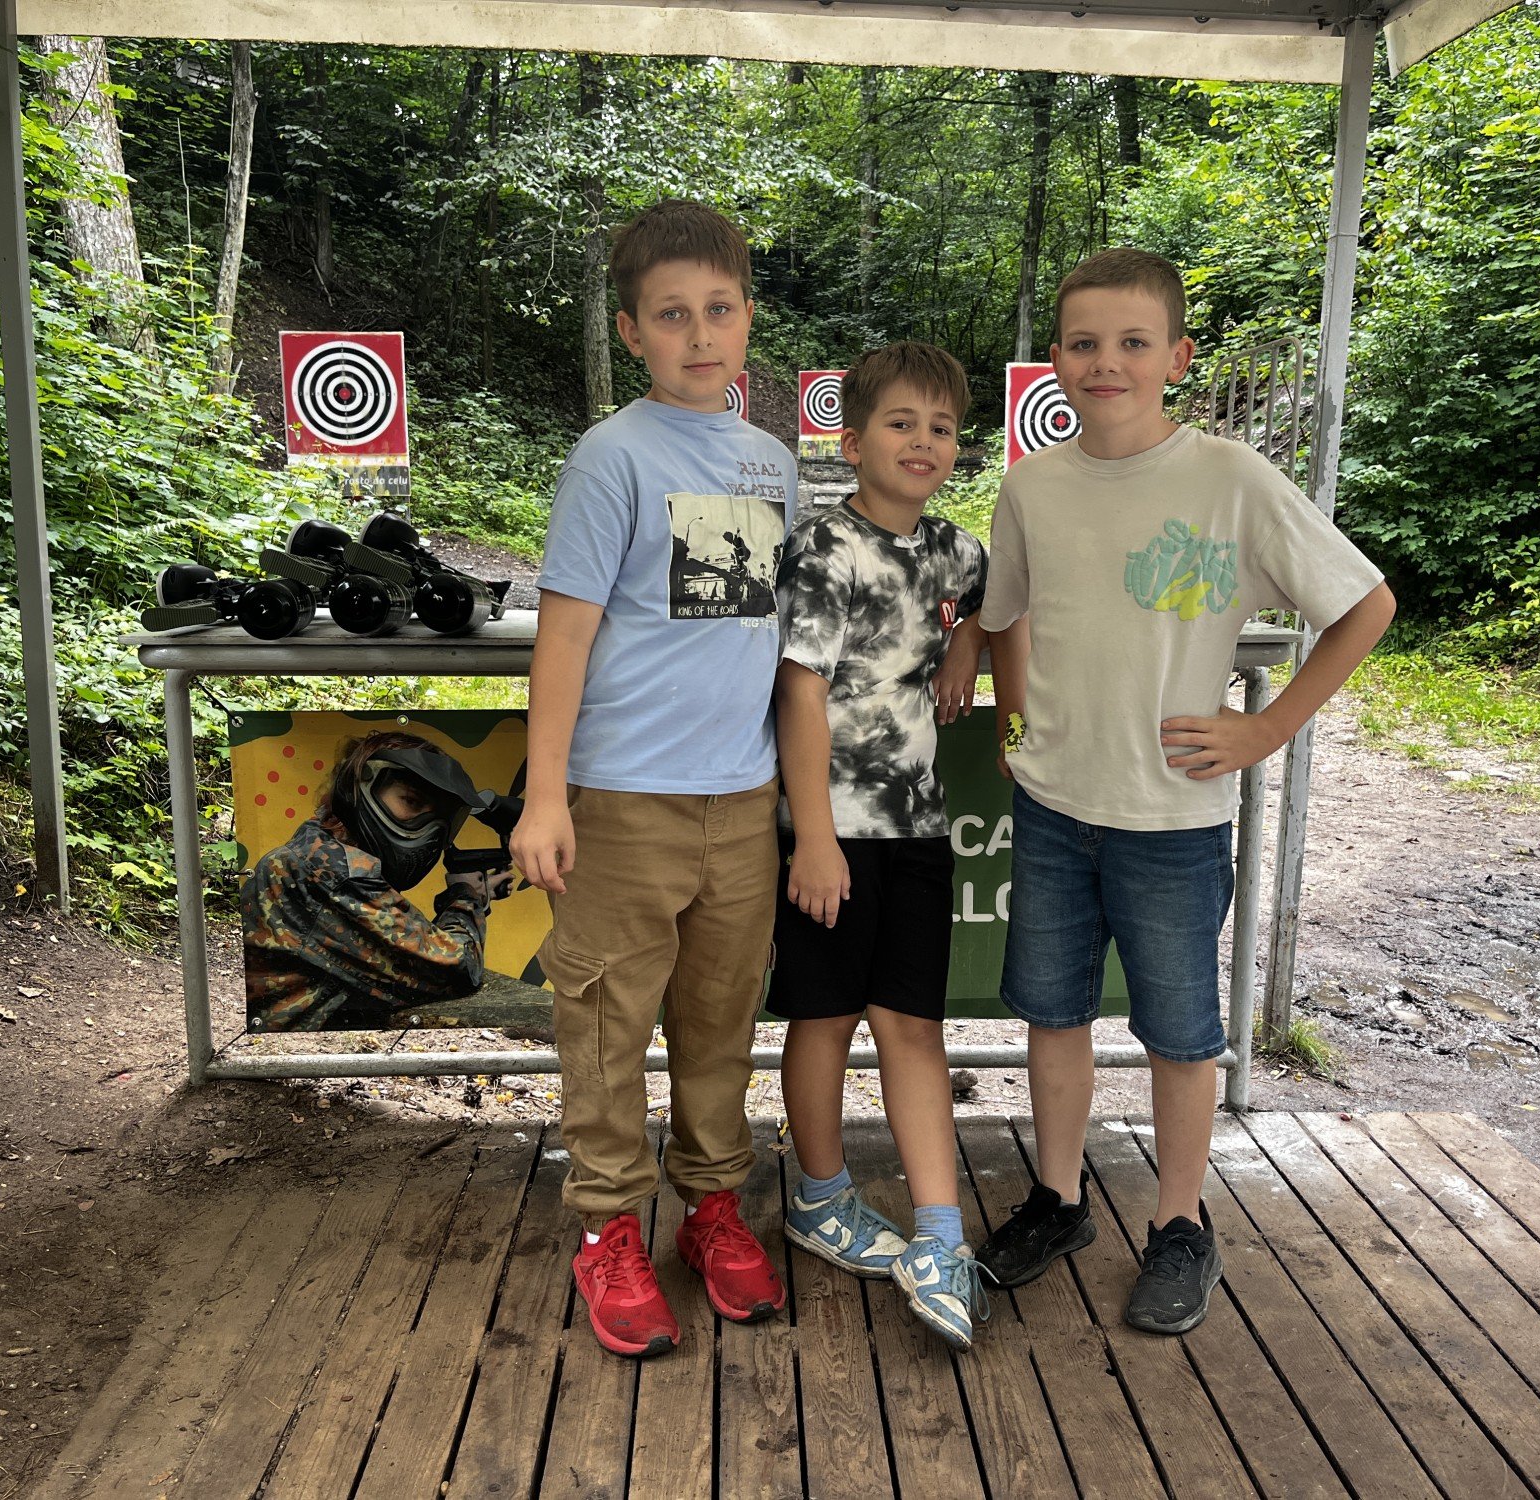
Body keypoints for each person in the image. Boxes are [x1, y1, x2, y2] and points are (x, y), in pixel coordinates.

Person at [974, 248, 1396, 1334]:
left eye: (1131, 342)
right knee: (1052, 1016)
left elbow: (1364, 605)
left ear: (1177, 356)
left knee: (1179, 1033)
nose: (1104, 363)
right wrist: (1014, 728)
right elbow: (1002, 614)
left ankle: (1177, 1223)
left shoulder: (1229, 478)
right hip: (1052, 809)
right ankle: (1058, 1199)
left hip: (1173, 818)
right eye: (1082, 343)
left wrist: (1266, 727)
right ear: (1054, 359)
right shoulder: (1029, 485)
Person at [509, 200, 799, 1360]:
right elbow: (564, 635)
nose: (698, 334)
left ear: (747, 319)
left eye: (717, 310)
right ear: (631, 332)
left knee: (720, 1021)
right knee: (606, 1025)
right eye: (671, 315)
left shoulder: (773, 463)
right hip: (623, 800)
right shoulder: (611, 457)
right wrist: (544, 797)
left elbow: (773, 633)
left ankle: (713, 1210)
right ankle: (609, 1228)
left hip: (742, 801)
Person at [770, 342, 992, 1349]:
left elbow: (988, 597)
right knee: (823, 1018)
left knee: (912, 1025)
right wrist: (813, 838)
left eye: (941, 428)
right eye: (901, 423)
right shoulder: (825, 549)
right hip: (834, 834)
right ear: (853, 440)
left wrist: (965, 650)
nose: (923, 442)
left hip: (919, 829)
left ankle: (939, 1235)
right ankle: (819, 1197)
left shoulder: (953, 549)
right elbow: (798, 692)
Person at [242, 731, 506, 1032]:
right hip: (282, 1054)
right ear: (358, 788)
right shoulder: (331, 873)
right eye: (411, 801)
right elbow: (456, 969)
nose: (430, 830)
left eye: (442, 818)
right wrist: (465, 896)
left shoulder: (313, 851)